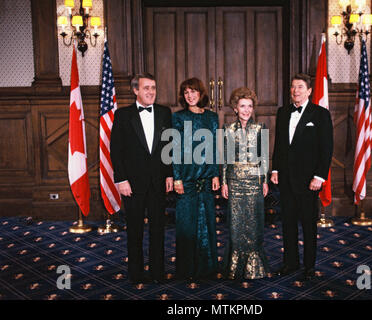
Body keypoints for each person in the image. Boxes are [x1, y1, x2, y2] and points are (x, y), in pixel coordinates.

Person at [110, 73, 173, 284]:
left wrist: (169, 175)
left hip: (157, 182)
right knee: (135, 231)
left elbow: (168, 147)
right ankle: (136, 273)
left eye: (153, 88)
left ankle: (157, 273)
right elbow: (116, 151)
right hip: (132, 184)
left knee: (158, 230)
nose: (151, 92)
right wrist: (121, 180)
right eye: (146, 88)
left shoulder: (165, 112)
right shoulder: (122, 115)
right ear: (135, 90)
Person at [271, 73, 333, 281]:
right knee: (287, 223)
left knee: (308, 224)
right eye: (293, 87)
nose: (295, 90)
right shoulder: (283, 112)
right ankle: (290, 262)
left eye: (300, 87)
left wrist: (319, 176)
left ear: (309, 91)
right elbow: (279, 144)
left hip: (309, 181)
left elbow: (326, 149)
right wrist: (275, 170)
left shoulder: (320, 114)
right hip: (286, 179)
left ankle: (309, 265)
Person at [172, 77, 220, 280]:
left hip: (207, 179)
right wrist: (176, 178)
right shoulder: (178, 117)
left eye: (193, 91)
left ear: (201, 94)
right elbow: (173, 149)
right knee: (186, 225)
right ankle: (187, 269)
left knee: (207, 222)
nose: (190, 96)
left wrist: (216, 173)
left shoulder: (212, 117)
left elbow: (215, 148)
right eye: (186, 92)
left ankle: (207, 269)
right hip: (186, 178)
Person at [221, 87, 270, 280]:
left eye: (249, 106)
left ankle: (254, 267)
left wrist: (264, 181)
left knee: (254, 224)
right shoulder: (226, 129)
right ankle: (235, 267)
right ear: (235, 108)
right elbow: (224, 159)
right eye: (242, 106)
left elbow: (264, 158)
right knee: (236, 225)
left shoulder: (260, 128)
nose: (246, 110)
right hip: (234, 183)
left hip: (254, 182)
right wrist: (224, 182)